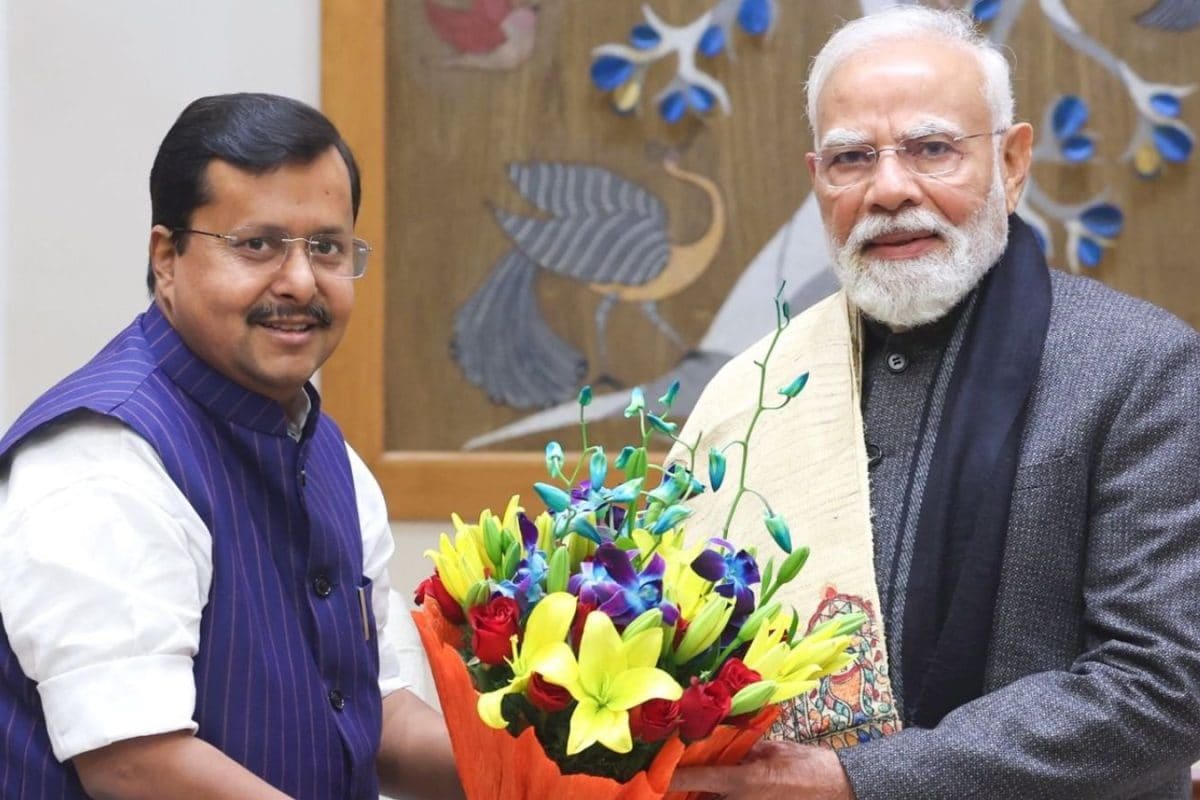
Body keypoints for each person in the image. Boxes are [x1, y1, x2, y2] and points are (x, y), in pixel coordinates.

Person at [669, 7, 1200, 800]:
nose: (889, 189)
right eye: (852, 158)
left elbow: (1161, 683)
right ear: (819, 178)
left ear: (1014, 162)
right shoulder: (756, 389)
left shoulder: (1139, 368)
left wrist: (860, 782)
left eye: (932, 149)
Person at [0, 93, 462, 799]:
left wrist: (595, 778)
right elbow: (135, 762)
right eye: (258, 245)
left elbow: (383, 719)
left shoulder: (327, 453)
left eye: (328, 248)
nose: (301, 281)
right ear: (166, 257)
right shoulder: (101, 460)